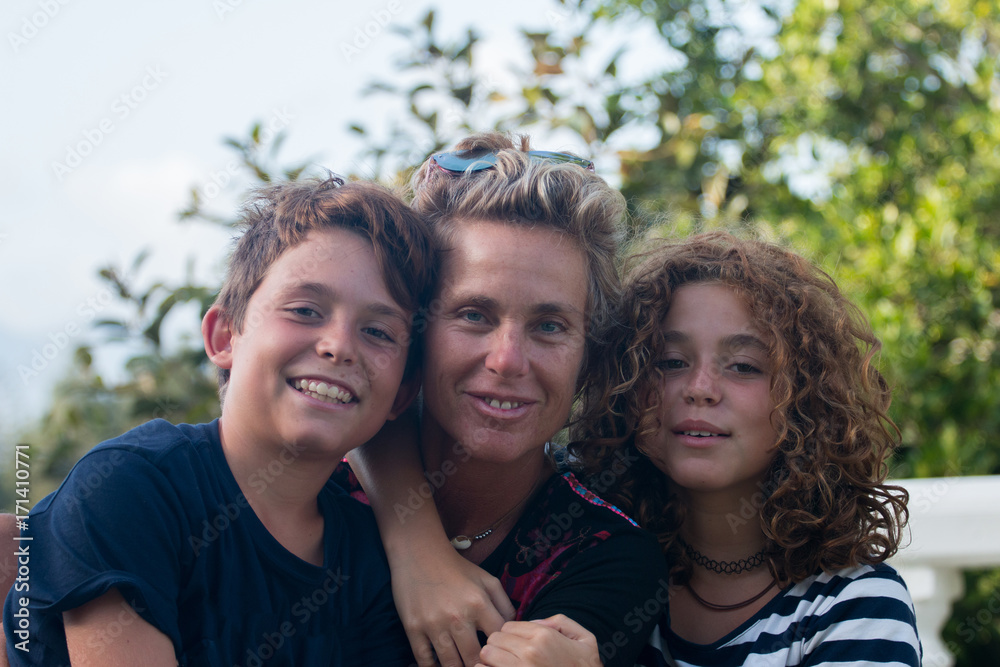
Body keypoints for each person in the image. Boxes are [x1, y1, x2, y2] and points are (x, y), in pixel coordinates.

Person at [2, 177, 436, 666]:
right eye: (305, 310)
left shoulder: (366, 559)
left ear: (403, 393)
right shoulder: (130, 489)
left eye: (377, 331)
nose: (339, 346)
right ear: (225, 336)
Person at [342, 132, 669, 667]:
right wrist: (414, 545)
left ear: (590, 353)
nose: (508, 360)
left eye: (549, 325)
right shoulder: (312, 491)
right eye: (474, 315)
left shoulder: (604, 555)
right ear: (414, 328)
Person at [568, 231, 922, 665]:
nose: (699, 390)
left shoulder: (856, 605)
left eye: (743, 367)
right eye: (671, 362)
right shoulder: (587, 568)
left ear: (806, 400)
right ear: (626, 384)